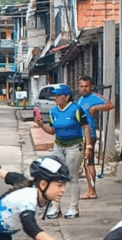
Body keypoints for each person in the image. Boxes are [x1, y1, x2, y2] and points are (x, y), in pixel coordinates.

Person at [34, 84, 92, 219]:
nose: (56, 98)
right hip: (59, 146)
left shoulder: (76, 109)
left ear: (66, 97)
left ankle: (73, 208)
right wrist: (41, 125)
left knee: (72, 177)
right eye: (55, 96)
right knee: (55, 177)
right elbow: (52, 130)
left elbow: (86, 127)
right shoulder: (53, 111)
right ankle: (55, 208)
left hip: (74, 146)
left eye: (59, 95)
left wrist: (88, 146)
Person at [77, 75, 115, 200]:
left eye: (86, 86)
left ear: (91, 86)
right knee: (86, 164)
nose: (84, 89)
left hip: (89, 135)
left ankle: (91, 191)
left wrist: (96, 108)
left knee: (89, 163)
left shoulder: (95, 97)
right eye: (82, 86)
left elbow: (110, 105)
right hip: (81, 135)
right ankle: (90, 189)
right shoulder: (81, 99)